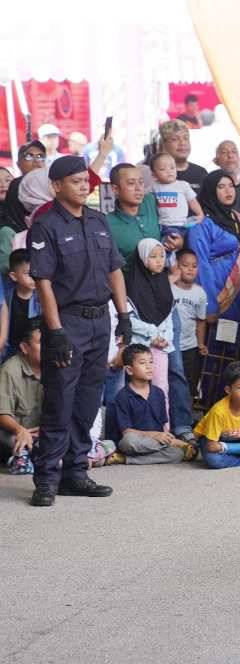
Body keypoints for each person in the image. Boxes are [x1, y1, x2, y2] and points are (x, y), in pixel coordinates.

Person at [26, 155, 131, 506]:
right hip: (67, 321)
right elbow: (43, 282)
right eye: (75, 180)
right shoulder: (46, 225)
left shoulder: (98, 221)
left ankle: (75, 473)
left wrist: (123, 314)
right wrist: (54, 332)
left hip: (100, 319)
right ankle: (47, 478)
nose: (84, 184)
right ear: (57, 187)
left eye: (85, 179)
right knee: (60, 401)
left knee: (88, 402)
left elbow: (115, 270)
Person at [187, 171, 240, 403]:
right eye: (221, 187)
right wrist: (210, 305)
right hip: (217, 298)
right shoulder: (201, 224)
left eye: (231, 185)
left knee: (236, 355)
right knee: (215, 357)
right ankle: (211, 407)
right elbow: (200, 264)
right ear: (210, 191)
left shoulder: (239, 219)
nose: (228, 191)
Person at [105, 344, 195, 465]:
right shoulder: (123, 396)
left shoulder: (158, 393)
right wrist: (156, 436)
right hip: (136, 442)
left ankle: (126, 459)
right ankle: (173, 444)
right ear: (129, 370)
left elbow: (163, 425)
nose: (149, 367)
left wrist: (165, 435)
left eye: (151, 362)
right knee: (128, 441)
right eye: (143, 363)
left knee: (176, 454)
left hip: (154, 444)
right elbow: (126, 432)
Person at [126, 239, 175, 403]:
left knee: (161, 389)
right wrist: (153, 333)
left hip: (161, 347)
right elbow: (129, 320)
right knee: (137, 390)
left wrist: (165, 338)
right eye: (153, 256)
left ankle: (162, 427)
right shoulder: (131, 285)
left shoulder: (164, 283)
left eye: (162, 256)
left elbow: (169, 316)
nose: (159, 260)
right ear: (142, 258)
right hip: (139, 345)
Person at [0, 321, 42, 474]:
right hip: (12, 432)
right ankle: (22, 456)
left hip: (41, 433)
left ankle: (27, 456)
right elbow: (2, 414)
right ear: (25, 347)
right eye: (41, 342)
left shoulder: (56, 368)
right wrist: (20, 430)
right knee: (9, 438)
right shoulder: (10, 370)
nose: (48, 347)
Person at [106, 163, 163, 269]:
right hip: (131, 283)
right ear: (115, 189)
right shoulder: (107, 223)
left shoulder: (151, 201)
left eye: (141, 182)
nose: (138, 188)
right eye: (131, 183)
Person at [171, 249, 208, 402]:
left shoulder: (199, 293)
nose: (190, 269)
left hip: (189, 346)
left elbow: (200, 320)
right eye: (185, 265)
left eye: (194, 266)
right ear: (176, 266)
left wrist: (200, 343)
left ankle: (184, 414)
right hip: (170, 344)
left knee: (187, 382)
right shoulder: (169, 288)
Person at [149, 152, 205, 240]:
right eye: (163, 169)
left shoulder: (182, 185)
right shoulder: (153, 188)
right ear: (154, 175)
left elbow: (192, 201)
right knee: (167, 241)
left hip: (183, 223)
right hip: (163, 224)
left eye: (172, 167)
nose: (169, 171)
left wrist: (200, 214)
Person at [5, 250, 39, 360]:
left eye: (36, 271)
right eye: (28, 274)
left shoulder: (41, 298)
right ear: (14, 276)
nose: (34, 277)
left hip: (33, 352)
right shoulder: (7, 297)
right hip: (10, 350)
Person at [158, 121, 208, 192]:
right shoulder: (157, 174)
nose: (182, 143)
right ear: (163, 144)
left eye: (186, 138)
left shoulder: (201, 172)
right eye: (175, 139)